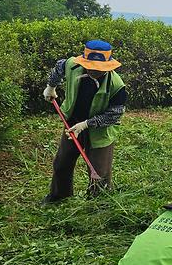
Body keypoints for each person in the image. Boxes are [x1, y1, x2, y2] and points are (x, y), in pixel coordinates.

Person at [41, 40, 127, 205]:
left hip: (100, 131)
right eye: (90, 66)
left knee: (99, 173)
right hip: (72, 124)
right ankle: (59, 198)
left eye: (98, 68)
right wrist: (51, 87)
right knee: (62, 163)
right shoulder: (72, 66)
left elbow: (114, 115)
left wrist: (86, 124)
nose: (94, 70)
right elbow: (59, 67)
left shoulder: (116, 85)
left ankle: (98, 204)